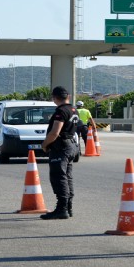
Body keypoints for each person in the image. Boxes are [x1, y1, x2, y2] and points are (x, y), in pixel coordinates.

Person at [40, 86, 79, 220]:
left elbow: (55, 132)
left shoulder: (60, 111)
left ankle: (61, 209)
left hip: (61, 148)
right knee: (67, 177)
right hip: (71, 145)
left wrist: (44, 145)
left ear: (54, 98)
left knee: (58, 177)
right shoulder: (74, 109)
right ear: (68, 96)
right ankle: (68, 207)